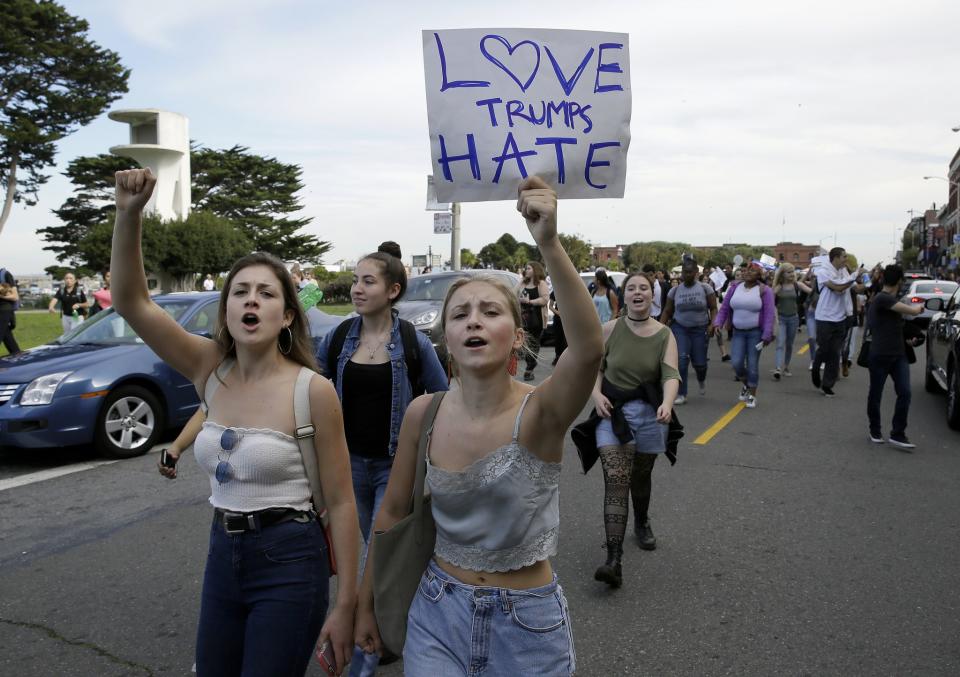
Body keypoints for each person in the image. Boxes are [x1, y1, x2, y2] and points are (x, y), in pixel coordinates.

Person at [111, 167, 359, 676]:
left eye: (266, 294)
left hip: (291, 560)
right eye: (240, 291)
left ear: (287, 316)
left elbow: (341, 501)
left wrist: (347, 604)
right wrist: (128, 214)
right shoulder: (208, 369)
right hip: (223, 554)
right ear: (225, 309)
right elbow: (132, 302)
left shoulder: (312, 390)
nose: (251, 299)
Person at [354, 177, 602, 675]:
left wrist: (548, 242)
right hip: (435, 613)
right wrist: (363, 605)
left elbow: (589, 347)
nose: (474, 321)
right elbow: (391, 515)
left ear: (516, 338)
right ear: (446, 336)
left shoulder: (540, 414)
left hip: (527, 625)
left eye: (490, 312)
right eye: (460, 314)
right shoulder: (425, 413)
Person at [314, 243, 448, 677]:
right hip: (346, 466)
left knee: (378, 555)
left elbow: (440, 397)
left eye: (367, 281)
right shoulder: (336, 338)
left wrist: (428, 457)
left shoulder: (413, 342)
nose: (356, 288)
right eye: (355, 280)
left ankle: (365, 654)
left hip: (394, 468)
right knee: (356, 557)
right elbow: (311, 389)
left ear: (392, 290)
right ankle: (374, 632)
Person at [590, 271, 680, 585]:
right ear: (624, 295)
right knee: (616, 480)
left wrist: (667, 403)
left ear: (652, 295)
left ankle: (641, 522)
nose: (638, 292)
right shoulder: (609, 329)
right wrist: (596, 394)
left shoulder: (665, 334)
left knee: (640, 477)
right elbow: (594, 370)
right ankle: (613, 560)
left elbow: (670, 374)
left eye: (644, 288)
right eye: (632, 288)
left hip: (649, 415)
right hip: (612, 414)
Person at [865, 265, 923, 448]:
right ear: (899, 281)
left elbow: (898, 326)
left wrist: (910, 340)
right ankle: (875, 430)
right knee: (876, 394)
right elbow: (912, 311)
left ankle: (897, 433)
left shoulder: (890, 299)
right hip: (880, 355)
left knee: (905, 392)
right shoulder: (882, 298)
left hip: (899, 354)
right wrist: (919, 308)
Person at [714, 262, 775, 408]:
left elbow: (769, 314)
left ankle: (753, 395)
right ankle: (747, 385)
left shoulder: (764, 290)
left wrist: (767, 333)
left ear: (759, 275)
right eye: (746, 270)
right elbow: (724, 308)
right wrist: (718, 323)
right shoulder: (735, 287)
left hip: (755, 333)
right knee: (737, 363)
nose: (747, 272)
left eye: (752, 271)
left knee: (752, 365)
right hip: (738, 332)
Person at [660, 258, 716, 404]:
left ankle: (701, 378)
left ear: (696, 272)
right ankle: (681, 393)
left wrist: (713, 325)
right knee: (682, 360)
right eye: (685, 272)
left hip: (700, 329)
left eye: (690, 272)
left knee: (700, 364)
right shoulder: (675, 290)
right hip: (680, 328)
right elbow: (667, 310)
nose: (687, 275)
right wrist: (659, 328)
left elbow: (713, 308)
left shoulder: (705, 288)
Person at [812, 248, 856, 396]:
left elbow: (855, 287)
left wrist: (871, 283)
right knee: (824, 349)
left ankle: (827, 385)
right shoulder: (823, 271)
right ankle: (816, 370)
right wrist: (855, 276)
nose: (846, 259)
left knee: (835, 352)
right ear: (835, 258)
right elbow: (838, 288)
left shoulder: (844, 271)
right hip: (824, 317)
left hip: (841, 318)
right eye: (844, 256)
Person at [771, 263, 811, 380]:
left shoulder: (797, 285)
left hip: (794, 319)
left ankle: (786, 367)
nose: (791, 274)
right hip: (782, 319)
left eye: (792, 272)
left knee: (789, 345)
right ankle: (778, 368)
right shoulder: (778, 287)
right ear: (782, 274)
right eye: (788, 272)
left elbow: (812, 291)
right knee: (780, 344)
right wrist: (775, 317)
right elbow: (771, 302)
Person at [517, 260, 550, 381]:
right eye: (526, 268)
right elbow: (514, 295)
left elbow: (545, 299)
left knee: (534, 343)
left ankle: (529, 368)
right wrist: (519, 300)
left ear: (535, 270)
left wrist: (530, 301)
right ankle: (530, 364)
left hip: (537, 318)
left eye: (529, 268)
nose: (526, 270)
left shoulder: (541, 283)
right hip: (524, 317)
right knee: (525, 343)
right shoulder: (522, 283)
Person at [0, 266, 21, 356]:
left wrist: (1, 296)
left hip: (4, 310)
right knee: (8, 338)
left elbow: (15, 297)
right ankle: (18, 357)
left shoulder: (6, 275)